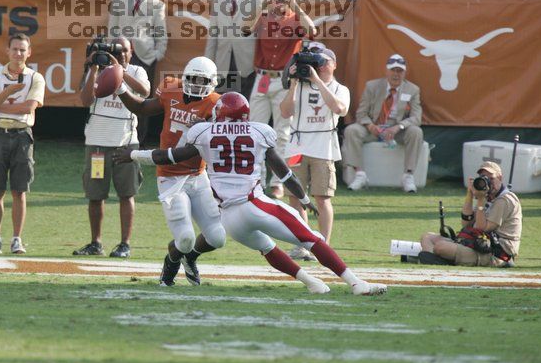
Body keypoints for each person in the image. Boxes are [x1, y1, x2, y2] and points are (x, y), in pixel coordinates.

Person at [114, 93, 387, 296]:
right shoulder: (259, 132)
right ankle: (355, 283)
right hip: (255, 204)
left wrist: (134, 155)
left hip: (230, 219)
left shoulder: (203, 132)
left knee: (266, 247)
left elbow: (170, 156)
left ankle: (312, 283)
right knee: (311, 239)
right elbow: (284, 173)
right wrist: (303, 199)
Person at [114, 56, 226, 285]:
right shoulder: (170, 89)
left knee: (217, 237)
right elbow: (142, 108)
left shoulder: (216, 105)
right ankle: (172, 261)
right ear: (184, 77)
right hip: (169, 177)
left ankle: (190, 258)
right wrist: (120, 87)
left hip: (197, 175)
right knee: (184, 239)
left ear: (212, 83)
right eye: (192, 78)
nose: (195, 84)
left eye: (201, 80)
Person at [73, 37, 149, 258]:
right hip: (97, 144)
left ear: (131, 51)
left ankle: (124, 244)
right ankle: (95, 243)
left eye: (124, 51)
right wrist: (94, 67)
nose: (121, 54)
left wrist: (119, 71)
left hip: (125, 145)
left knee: (127, 194)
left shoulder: (136, 71)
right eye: (116, 51)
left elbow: (144, 91)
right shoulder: (97, 69)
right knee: (95, 195)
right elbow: (85, 100)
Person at [242, 0, 316, 199]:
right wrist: (263, 4)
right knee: (255, 129)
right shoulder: (263, 16)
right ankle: (256, 178)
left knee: (282, 133)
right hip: (262, 78)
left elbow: (312, 31)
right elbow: (244, 29)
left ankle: (278, 182)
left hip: (285, 80)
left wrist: (295, 5)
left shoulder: (296, 18)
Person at [279, 46, 350, 261]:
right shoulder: (300, 86)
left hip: (323, 148)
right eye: (317, 63)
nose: (318, 66)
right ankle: (302, 244)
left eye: (323, 62)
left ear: (334, 64)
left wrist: (318, 82)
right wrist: (293, 83)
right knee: (295, 198)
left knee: (322, 198)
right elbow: (285, 112)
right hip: (297, 148)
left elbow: (339, 109)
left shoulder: (340, 88)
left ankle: (323, 247)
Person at [0, 34, 44, 255]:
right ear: (7, 51)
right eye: (14, 49)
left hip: (22, 135)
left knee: (19, 190)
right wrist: (7, 93)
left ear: (29, 53)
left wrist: (0, 104)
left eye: (22, 50)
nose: (18, 54)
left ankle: (17, 238)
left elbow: (29, 108)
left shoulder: (35, 78)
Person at [343, 54, 423, 193]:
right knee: (352, 130)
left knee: (416, 131)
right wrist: (370, 126)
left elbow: (416, 117)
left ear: (404, 72)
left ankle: (408, 175)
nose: (396, 74)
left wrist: (399, 127)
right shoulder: (372, 86)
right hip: (375, 126)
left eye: (399, 71)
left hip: (397, 129)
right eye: (393, 70)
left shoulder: (412, 89)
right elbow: (361, 113)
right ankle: (360, 174)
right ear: (386, 71)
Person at [108, 0, 167, 147]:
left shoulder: (157, 4)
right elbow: (112, 29)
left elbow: (161, 34)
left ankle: (137, 141)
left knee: (142, 99)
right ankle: (115, 137)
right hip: (120, 55)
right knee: (116, 94)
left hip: (145, 57)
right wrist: (112, 52)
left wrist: (157, 54)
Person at [419, 161, 521, 267]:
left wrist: (481, 199)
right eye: (484, 178)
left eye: (491, 178)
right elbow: (466, 223)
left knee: (440, 247)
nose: (488, 183)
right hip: (478, 244)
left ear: (500, 178)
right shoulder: (487, 195)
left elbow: (482, 228)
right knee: (427, 237)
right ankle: (440, 260)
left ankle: (441, 258)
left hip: (496, 253)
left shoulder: (504, 200)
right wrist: (470, 194)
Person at [204, 0, 262, 97]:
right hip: (223, 65)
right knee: (224, 106)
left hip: (248, 65)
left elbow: (261, 34)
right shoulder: (217, 3)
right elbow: (213, 37)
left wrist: (259, 62)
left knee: (245, 106)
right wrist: (207, 65)